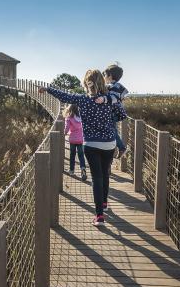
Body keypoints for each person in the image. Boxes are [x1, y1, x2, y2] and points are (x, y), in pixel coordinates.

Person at [39, 69, 127, 226]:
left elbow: (64, 96)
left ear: (86, 84)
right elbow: (121, 115)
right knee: (105, 174)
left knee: (97, 178)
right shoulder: (109, 99)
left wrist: (48, 89)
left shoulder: (81, 99)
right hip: (109, 143)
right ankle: (105, 204)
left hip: (90, 144)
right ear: (102, 81)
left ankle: (99, 216)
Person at [95, 64, 129, 158]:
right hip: (110, 113)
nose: (104, 77)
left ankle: (121, 147)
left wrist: (104, 99)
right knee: (112, 130)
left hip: (112, 113)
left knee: (112, 130)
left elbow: (113, 98)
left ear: (110, 76)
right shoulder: (111, 86)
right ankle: (117, 148)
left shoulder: (115, 86)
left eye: (105, 75)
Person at [63, 104, 87, 181]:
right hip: (80, 139)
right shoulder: (80, 117)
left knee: (72, 155)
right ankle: (83, 169)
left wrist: (64, 133)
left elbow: (66, 129)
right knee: (81, 155)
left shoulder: (69, 118)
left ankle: (71, 170)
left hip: (73, 139)